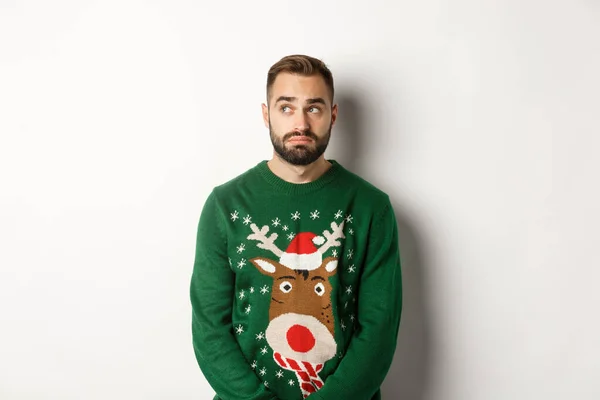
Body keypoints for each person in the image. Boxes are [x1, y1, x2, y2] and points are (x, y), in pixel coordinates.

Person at [190, 54, 403, 400]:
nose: (300, 123)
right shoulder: (225, 206)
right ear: (266, 114)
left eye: (314, 108)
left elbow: (379, 331)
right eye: (286, 108)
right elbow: (209, 331)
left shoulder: (371, 208)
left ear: (333, 116)